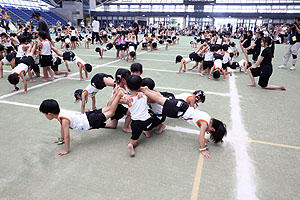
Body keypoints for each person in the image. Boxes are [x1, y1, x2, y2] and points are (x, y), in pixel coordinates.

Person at [140, 87, 227, 158]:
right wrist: (203, 149)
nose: (207, 132)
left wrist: (204, 139)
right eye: (210, 132)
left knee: (161, 99)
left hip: (182, 106)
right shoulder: (205, 124)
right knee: (160, 100)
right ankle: (145, 90)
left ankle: (147, 90)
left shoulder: (208, 117)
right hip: (179, 110)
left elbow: (202, 135)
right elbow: (201, 135)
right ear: (212, 128)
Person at [39, 88, 125, 156]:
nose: (45, 116)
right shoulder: (61, 113)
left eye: (44, 114)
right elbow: (62, 129)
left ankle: (118, 95)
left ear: (49, 114)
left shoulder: (64, 120)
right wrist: (62, 139)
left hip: (90, 121)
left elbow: (67, 136)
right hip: (88, 115)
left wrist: (66, 150)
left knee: (111, 112)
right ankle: (117, 93)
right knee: (109, 108)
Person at [123, 75, 153, 157]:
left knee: (135, 140)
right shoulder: (144, 96)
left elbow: (120, 94)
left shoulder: (128, 99)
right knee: (150, 117)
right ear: (140, 86)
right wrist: (142, 92)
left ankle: (131, 145)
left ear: (127, 87)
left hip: (136, 123)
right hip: (147, 120)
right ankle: (147, 132)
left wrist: (125, 95)